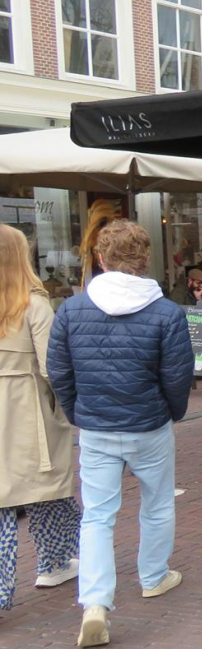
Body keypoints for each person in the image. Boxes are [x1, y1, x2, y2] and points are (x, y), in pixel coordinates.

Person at [47, 220, 192, 648]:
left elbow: (59, 371)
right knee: (157, 503)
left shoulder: (72, 310)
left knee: (97, 515)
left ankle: (95, 602)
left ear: (100, 257)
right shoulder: (166, 312)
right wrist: (172, 413)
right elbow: (177, 376)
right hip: (148, 423)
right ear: (145, 258)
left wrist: (79, 412)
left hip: (96, 425)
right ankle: (153, 575)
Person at [0, 224, 79, 612]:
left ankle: (9, 585)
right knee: (47, 487)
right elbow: (52, 367)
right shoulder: (34, 304)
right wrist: (70, 408)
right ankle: (53, 562)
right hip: (25, 406)